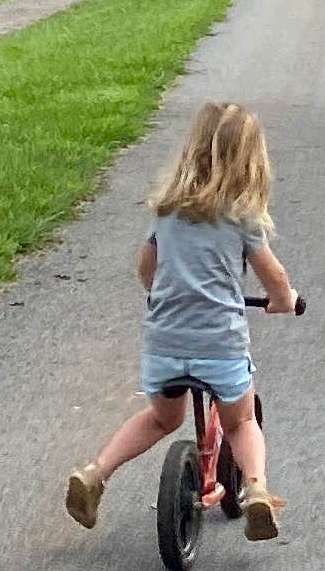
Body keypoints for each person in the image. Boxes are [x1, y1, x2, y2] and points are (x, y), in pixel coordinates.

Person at [64, 97, 296, 539]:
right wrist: (283, 301)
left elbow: (146, 272)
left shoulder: (167, 212)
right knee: (241, 421)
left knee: (159, 419)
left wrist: (166, 295)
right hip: (219, 345)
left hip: (165, 342)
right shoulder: (242, 219)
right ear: (251, 163)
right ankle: (257, 491)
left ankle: (96, 473)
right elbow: (275, 278)